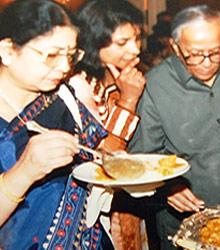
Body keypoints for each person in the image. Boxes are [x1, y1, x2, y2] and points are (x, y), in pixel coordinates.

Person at [0, 0, 113, 248]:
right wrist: (24, 172)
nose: (65, 66)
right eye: (52, 55)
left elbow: (93, 155)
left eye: (71, 55)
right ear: (8, 51)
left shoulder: (64, 95)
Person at [128, 5, 220, 249]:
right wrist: (168, 187)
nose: (206, 63)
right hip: (189, 218)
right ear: (175, 46)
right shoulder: (154, 85)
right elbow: (143, 156)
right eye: (194, 54)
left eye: (215, 52)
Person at [69, 1, 147, 249]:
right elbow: (107, 158)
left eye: (137, 38)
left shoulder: (118, 76)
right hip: (89, 211)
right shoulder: (77, 85)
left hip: (125, 203)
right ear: (92, 42)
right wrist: (129, 100)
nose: (135, 49)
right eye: (122, 43)